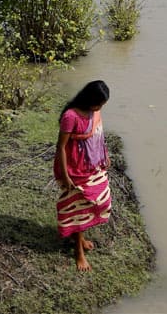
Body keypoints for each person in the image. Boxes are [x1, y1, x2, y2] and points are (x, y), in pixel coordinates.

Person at [53, 80, 111, 271]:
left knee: (100, 201)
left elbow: (99, 134)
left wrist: (105, 154)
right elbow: (61, 147)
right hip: (75, 169)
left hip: (93, 166)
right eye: (98, 104)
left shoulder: (94, 112)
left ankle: (82, 238)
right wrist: (66, 175)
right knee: (76, 209)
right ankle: (78, 251)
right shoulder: (71, 116)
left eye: (102, 105)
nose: (100, 108)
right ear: (89, 99)